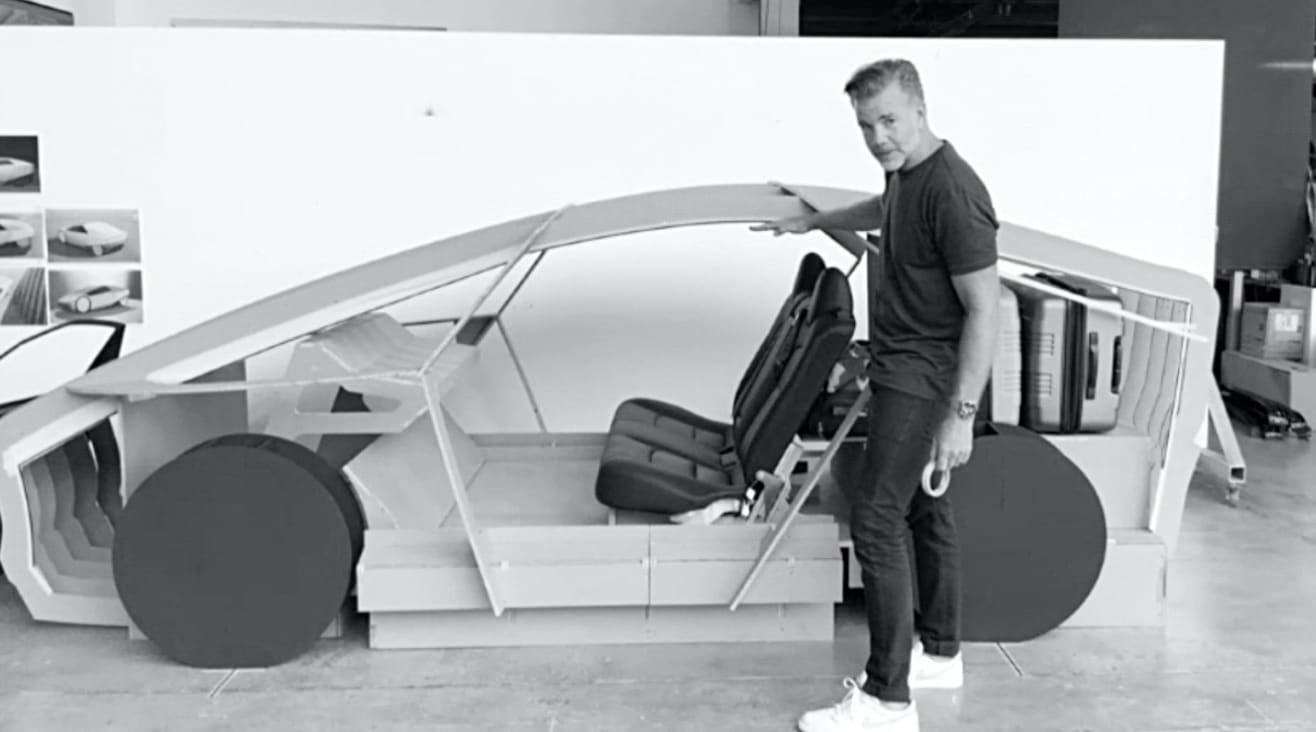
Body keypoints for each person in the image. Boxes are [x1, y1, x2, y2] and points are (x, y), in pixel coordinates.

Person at [751, 58, 1000, 732]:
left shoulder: (953, 192)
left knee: (876, 520)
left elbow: (986, 310)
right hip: (904, 368)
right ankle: (940, 654)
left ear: (920, 109)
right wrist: (817, 221)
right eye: (866, 126)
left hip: (923, 378)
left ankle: (887, 699)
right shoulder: (905, 173)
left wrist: (961, 416)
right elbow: (883, 209)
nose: (878, 137)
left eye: (889, 120)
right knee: (923, 510)